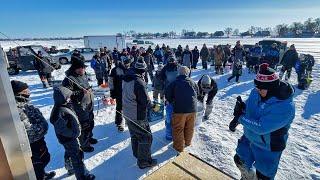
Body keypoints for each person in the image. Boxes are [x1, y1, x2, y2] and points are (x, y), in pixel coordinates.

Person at [231, 63, 295, 179]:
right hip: (249, 138)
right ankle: (247, 178)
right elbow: (251, 109)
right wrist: (242, 109)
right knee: (240, 160)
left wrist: (241, 117)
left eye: (261, 88)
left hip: (268, 147)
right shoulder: (257, 92)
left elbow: (261, 127)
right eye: (256, 87)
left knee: (263, 176)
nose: (257, 90)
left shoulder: (285, 107)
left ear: (272, 88)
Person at [11, 80, 55, 180]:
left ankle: (42, 174)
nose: (28, 92)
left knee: (45, 158)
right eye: (26, 91)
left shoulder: (25, 103)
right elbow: (27, 130)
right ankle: (39, 177)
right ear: (19, 93)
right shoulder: (17, 109)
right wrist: (43, 127)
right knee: (37, 164)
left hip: (39, 140)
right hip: (32, 144)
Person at [50, 86, 95, 180]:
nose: (70, 98)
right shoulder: (61, 111)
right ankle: (82, 176)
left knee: (70, 152)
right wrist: (74, 133)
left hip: (69, 138)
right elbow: (62, 129)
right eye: (68, 97)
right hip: (69, 138)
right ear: (64, 98)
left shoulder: (63, 106)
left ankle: (70, 168)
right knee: (77, 157)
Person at [122, 58, 157, 169]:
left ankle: (138, 154)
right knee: (146, 137)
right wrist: (154, 107)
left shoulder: (127, 77)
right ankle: (143, 161)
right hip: (137, 114)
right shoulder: (139, 82)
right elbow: (145, 101)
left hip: (127, 112)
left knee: (135, 135)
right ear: (143, 71)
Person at [62, 59, 97, 153]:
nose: (83, 70)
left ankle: (89, 138)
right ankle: (84, 144)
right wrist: (80, 92)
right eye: (81, 68)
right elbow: (66, 94)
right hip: (79, 107)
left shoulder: (83, 75)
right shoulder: (69, 79)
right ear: (75, 68)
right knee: (84, 125)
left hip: (88, 105)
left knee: (90, 123)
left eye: (83, 68)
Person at [165, 66, 199, 153]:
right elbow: (197, 93)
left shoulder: (174, 82)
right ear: (187, 73)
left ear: (178, 73)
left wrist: (172, 101)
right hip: (193, 109)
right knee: (189, 127)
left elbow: (168, 95)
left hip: (179, 110)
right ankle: (187, 142)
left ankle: (178, 147)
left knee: (178, 128)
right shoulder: (193, 82)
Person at [109, 57, 131, 132]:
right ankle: (120, 123)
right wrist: (112, 91)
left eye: (128, 64)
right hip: (119, 92)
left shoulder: (129, 69)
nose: (127, 66)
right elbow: (111, 81)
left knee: (129, 106)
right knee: (119, 107)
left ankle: (128, 121)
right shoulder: (115, 70)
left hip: (128, 92)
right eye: (126, 64)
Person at [160, 57, 180, 140]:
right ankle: (172, 132)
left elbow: (161, 77)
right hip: (176, 91)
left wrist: (166, 81)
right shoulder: (178, 66)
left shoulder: (166, 67)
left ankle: (169, 134)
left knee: (169, 112)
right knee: (174, 111)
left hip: (169, 91)